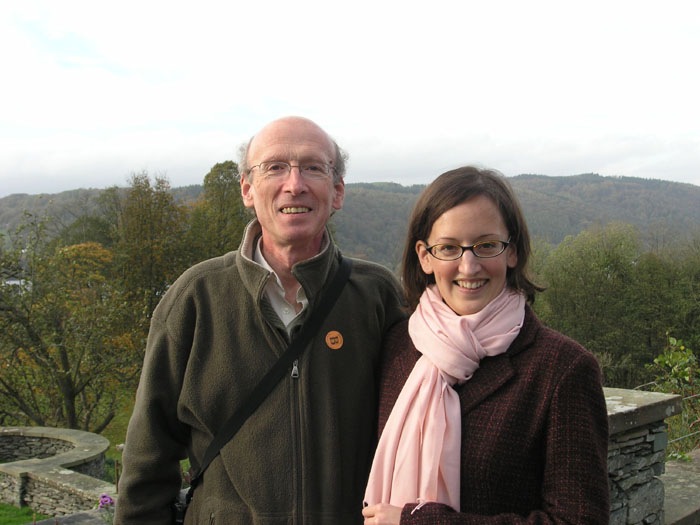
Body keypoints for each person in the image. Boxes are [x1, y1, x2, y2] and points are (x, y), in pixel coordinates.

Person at [115, 116, 406, 524]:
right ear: (247, 190)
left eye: (313, 167)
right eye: (275, 167)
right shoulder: (196, 298)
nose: (294, 184)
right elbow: (148, 458)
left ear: (337, 191)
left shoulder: (378, 297)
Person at [362, 167, 609, 524]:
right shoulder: (398, 347)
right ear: (425, 256)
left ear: (512, 252)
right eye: (448, 248)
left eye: (486, 246)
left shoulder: (563, 370)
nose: (469, 266)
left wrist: (420, 522)